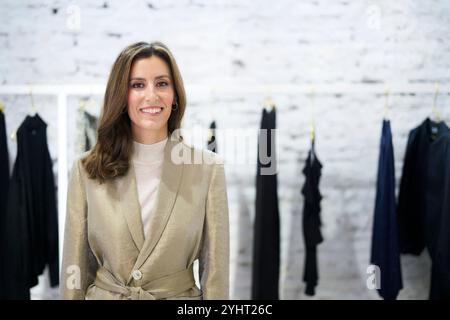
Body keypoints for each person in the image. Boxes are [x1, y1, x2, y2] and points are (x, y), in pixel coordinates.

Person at [60, 41, 230, 300]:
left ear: (175, 95)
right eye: (137, 85)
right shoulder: (86, 171)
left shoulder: (208, 170)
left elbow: (215, 276)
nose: (152, 95)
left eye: (162, 83)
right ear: (121, 95)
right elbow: (76, 269)